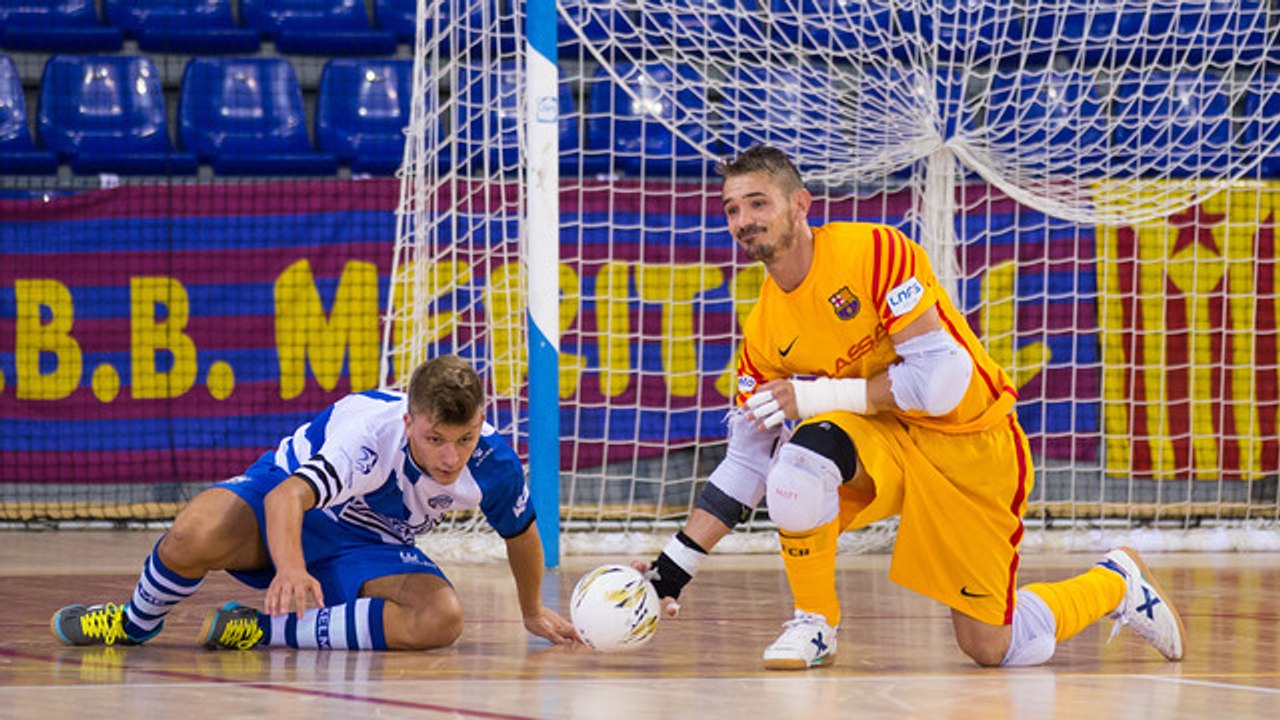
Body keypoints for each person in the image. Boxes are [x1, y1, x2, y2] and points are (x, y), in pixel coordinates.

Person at [638, 145, 1185, 670]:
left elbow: (944, 381)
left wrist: (813, 396)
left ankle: (1114, 583)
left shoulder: (874, 251)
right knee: (795, 470)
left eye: (759, 202)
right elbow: (745, 465)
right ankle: (815, 623)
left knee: (993, 648)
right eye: (732, 209)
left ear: (800, 204)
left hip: (970, 444)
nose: (744, 220)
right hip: (884, 445)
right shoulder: (761, 332)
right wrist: (670, 571)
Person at [52, 354, 580, 651]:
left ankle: (261, 631)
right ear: (409, 422)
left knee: (441, 618)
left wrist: (531, 609)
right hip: (288, 504)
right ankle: (133, 622)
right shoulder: (368, 438)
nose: (450, 457)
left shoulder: (493, 462)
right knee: (193, 534)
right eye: (436, 438)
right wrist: (290, 569)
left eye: (463, 440)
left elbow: (522, 531)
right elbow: (288, 497)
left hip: (370, 542)